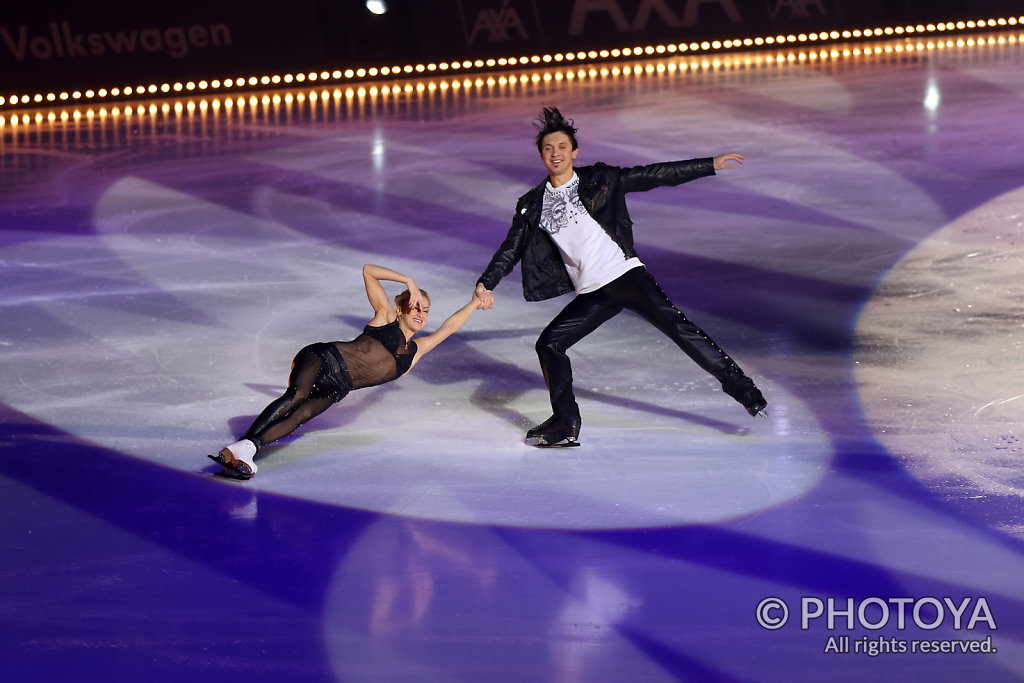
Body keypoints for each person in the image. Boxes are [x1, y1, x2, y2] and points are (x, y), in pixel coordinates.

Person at [475, 107, 767, 447]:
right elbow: (511, 248)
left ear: (574, 152)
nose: (556, 154)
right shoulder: (532, 205)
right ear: (541, 154)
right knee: (550, 344)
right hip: (592, 293)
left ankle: (745, 391)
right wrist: (487, 281)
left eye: (562, 147)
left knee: (680, 329)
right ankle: (566, 421)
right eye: (549, 149)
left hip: (625, 276)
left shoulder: (602, 179)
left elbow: (654, 175)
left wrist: (708, 165)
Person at [208, 264, 484, 479]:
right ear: (401, 308)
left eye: (426, 310)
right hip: (323, 358)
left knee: (301, 415)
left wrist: (474, 302)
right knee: (297, 395)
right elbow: (369, 271)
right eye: (415, 305)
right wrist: (408, 282)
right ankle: (241, 447)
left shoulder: (414, 353)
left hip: (339, 387)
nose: (421, 313)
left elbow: (449, 327)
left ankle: (247, 449)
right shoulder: (386, 317)